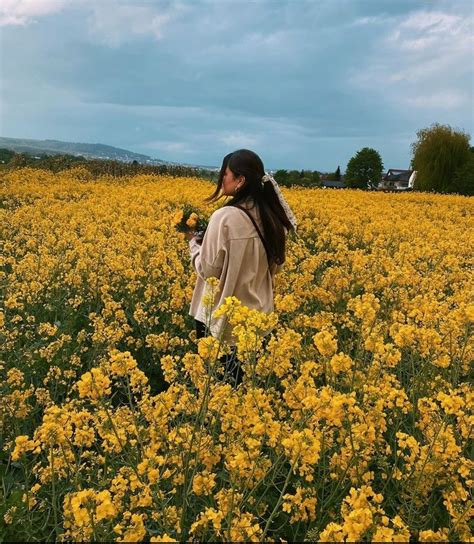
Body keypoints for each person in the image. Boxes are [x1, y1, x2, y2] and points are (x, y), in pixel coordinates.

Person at [186, 149, 298, 386]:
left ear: (240, 180)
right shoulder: (272, 217)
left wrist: (194, 245)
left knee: (216, 392)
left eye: (225, 174)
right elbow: (273, 268)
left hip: (222, 324)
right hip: (258, 323)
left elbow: (209, 271)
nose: (222, 179)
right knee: (245, 391)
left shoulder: (224, 217)